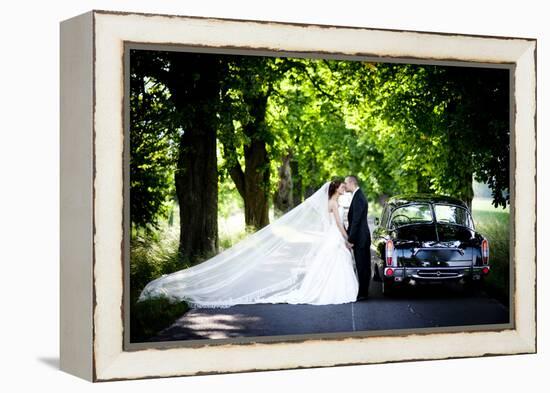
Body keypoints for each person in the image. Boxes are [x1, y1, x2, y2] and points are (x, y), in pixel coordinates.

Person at [138, 180, 359, 308]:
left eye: (342, 187)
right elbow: (338, 224)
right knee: (334, 263)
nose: (342, 189)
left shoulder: (332, 201)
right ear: (334, 189)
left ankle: (322, 289)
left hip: (331, 238)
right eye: (340, 187)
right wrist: (347, 239)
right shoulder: (333, 202)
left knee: (329, 266)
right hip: (334, 238)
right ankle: (330, 292)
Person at [344, 175, 372, 300]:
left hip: (361, 238)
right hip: (361, 237)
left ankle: (363, 293)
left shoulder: (359, 197)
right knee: (363, 265)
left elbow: (356, 221)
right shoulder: (357, 195)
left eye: (346, 183)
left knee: (362, 266)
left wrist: (350, 239)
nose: (345, 185)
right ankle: (363, 292)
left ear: (351, 182)